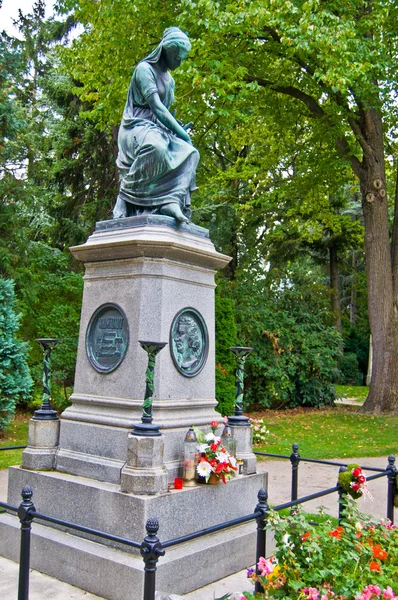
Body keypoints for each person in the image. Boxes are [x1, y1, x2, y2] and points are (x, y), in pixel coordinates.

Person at [113, 27, 199, 222]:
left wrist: (177, 130)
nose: (180, 62)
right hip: (136, 126)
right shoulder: (144, 69)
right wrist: (183, 135)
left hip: (158, 129)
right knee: (156, 147)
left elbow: (164, 114)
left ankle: (171, 200)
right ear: (166, 51)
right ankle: (124, 197)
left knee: (191, 153)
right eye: (178, 57)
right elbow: (157, 108)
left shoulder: (170, 80)